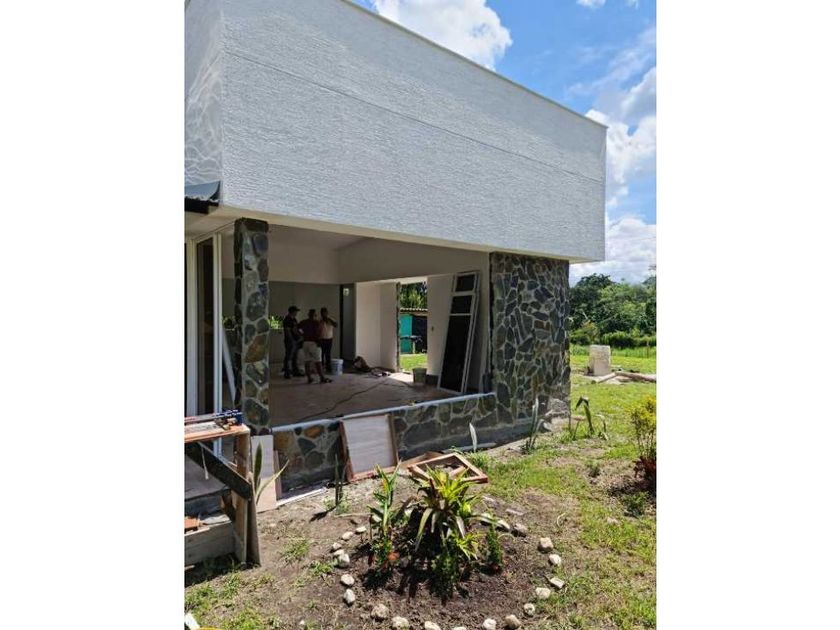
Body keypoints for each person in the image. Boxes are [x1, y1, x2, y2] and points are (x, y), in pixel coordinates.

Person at [299, 309, 331, 384]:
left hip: (305, 342)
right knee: (318, 361)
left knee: (307, 361)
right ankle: (322, 378)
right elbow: (319, 333)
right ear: (315, 315)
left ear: (308, 315)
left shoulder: (303, 322)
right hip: (314, 343)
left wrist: (302, 335)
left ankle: (309, 378)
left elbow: (296, 329)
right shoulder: (316, 322)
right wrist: (319, 340)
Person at [282, 306, 304, 379]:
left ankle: (295, 371)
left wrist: (300, 336)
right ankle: (287, 372)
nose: (296, 312)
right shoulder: (287, 319)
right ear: (292, 311)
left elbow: (296, 329)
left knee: (295, 356)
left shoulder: (294, 319)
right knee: (289, 357)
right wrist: (291, 340)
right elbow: (287, 331)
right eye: (296, 311)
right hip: (290, 341)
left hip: (296, 340)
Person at [318, 307, 338, 373]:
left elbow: (336, 325)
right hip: (321, 339)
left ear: (327, 313)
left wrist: (329, 320)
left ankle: (328, 368)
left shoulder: (331, 319)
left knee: (328, 354)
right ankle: (321, 368)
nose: (323, 314)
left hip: (329, 339)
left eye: (324, 313)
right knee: (321, 354)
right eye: (322, 313)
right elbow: (318, 330)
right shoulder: (319, 320)